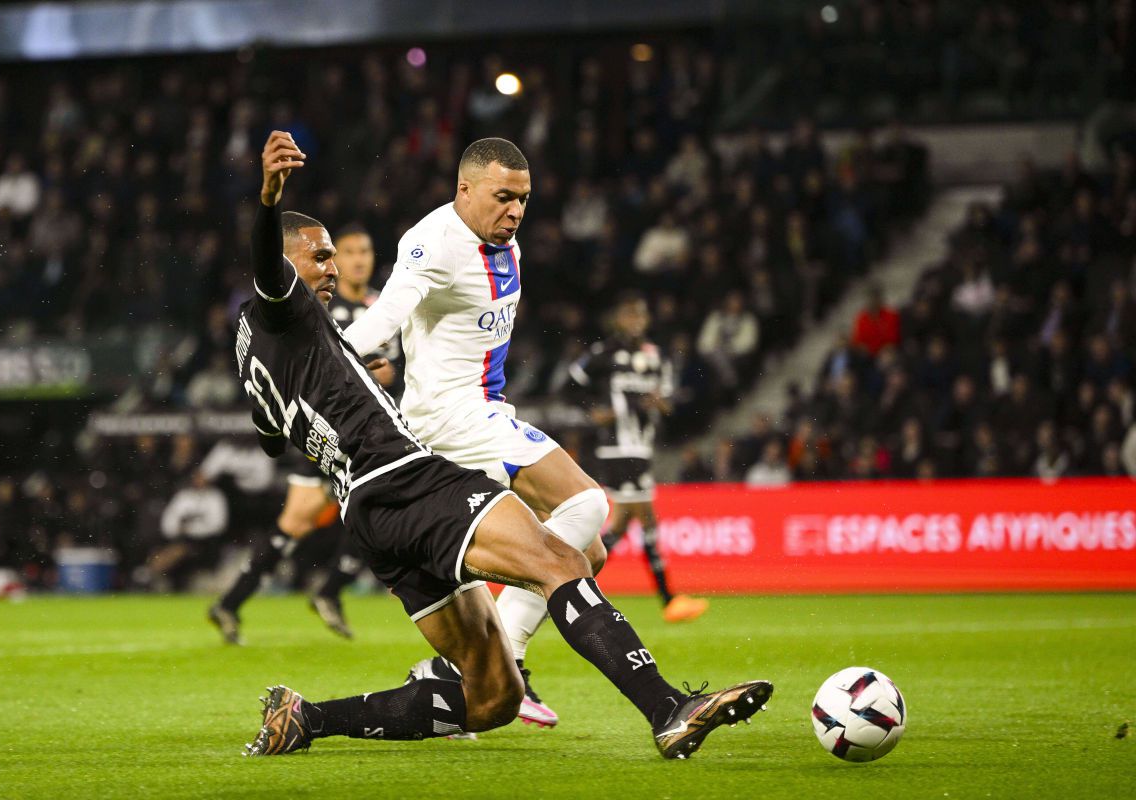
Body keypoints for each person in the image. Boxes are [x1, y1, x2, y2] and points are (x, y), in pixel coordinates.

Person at [237, 131, 771, 759]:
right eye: (320, 258)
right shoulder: (288, 306)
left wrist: (344, 379)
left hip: (368, 511)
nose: (334, 270)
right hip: (409, 477)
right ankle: (667, 708)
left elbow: (271, 437)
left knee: (494, 697)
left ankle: (305, 718)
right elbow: (276, 271)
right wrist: (269, 199)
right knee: (563, 558)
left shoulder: (255, 347)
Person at [343, 137, 613, 728]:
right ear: (464, 189)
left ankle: (461, 668)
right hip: (451, 417)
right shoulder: (433, 241)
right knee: (586, 503)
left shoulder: (503, 242)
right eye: (503, 197)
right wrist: (325, 362)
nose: (515, 211)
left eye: (523, 199)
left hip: (485, 412)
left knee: (588, 552)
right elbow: (385, 316)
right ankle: (509, 656)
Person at [208, 223, 394, 643]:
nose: (357, 261)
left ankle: (245, 601)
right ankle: (312, 593)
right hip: (323, 427)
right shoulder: (316, 301)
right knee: (307, 520)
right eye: (348, 252)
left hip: (364, 428)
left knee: (364, 507)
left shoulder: (383, 308)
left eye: (364, 252)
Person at [569, 293, 709, 623]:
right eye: (630, 315)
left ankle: (569, 584)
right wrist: (594, 411)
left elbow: (669, 403)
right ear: (618, 319)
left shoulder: (655, 356)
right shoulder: (604, 354)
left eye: (641, 315)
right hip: (617, 447)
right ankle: (668, 600)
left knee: (623, 524)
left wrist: (661, 404)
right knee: (645, 518)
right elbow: (571, 384)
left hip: (642, 446)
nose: (636, 321)